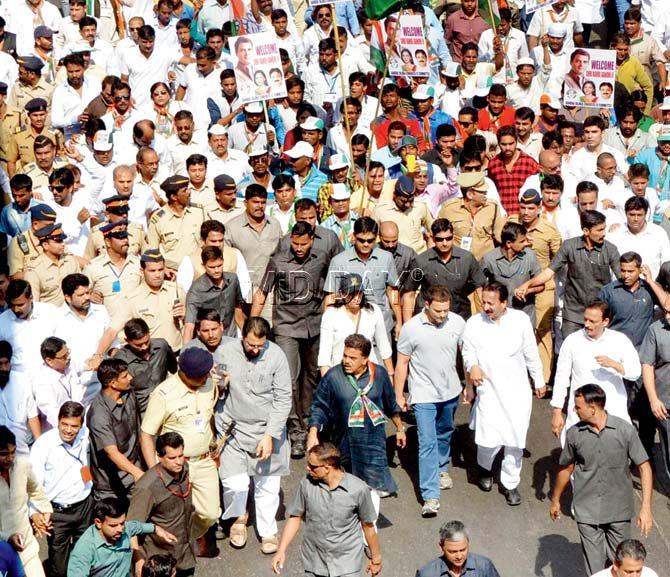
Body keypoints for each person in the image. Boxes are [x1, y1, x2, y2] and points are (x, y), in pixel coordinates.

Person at [549, 384, 653, 575]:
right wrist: (555, 499)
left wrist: (646, 508)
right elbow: (566, 468)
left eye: (578, 406)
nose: (574, 410)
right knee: (596, 570)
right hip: (588, 512)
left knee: (622, 567)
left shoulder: (624, 431)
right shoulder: (574, 434)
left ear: (593, 408)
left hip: (619, 512)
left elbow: (644, 468)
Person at [462, 282, 545, 506]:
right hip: (488, 391)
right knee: (488, 440)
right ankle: (485, 469)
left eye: (491, 303)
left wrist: (539, 380)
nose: (486, 307)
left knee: (515, 440)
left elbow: (530, 352)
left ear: (504, 303)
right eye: (484, 302)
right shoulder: (474, 323)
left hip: (517, 391)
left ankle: (510, 483)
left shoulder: (520, 320)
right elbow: (467, 351)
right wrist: (473, 367)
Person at [252, 222, 329, 459]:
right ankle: (295, 431)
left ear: (312, 240)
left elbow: (330, 290)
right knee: (290, 379)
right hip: (286, 326)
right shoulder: (278, 261)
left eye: (303, 244)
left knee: (312, 376)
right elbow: (263, 292)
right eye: (295, 243)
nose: (298, 248)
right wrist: (252, 325)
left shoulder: (322, 258)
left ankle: (309, 423)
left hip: (315, 325)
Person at [214, 317, 291, 554]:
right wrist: (220, 383)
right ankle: (239, 520)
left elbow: (283, 398)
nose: (255, 350)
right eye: (250, 345)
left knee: (267, 484)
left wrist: (270, 435)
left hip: (265, 430)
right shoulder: (224, 352)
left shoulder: (277, 356)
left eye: (260, 345)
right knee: (234, 483)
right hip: (233, 430)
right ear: (242, 337)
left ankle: (268, 530)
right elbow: (215, 385)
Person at [308, 334, 405, 517]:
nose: (346, 361)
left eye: (352, 358)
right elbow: (319, 407)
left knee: (371, 490)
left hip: (372, 443)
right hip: (343, 443)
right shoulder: (333, 377)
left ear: (365, 359)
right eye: (345, 355)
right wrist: (313, 433)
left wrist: (400, 429)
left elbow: (391, 404)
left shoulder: (380, 375)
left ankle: (369, 532)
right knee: (344, 489)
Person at [140, 347, 220, 557]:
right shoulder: (164, 394)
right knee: (174, 513)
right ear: (185, 374)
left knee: (210, 512)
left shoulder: (208, 383)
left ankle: (188, 537)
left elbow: (209, 415)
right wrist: (155, 472)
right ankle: (171, 552)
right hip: (176, 465)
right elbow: (147, 434)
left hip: (204, 461)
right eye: (201, 376)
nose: (206, 379)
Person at [395, 286, 466, 517]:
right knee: (427, 443)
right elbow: (402, 363)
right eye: (438, 311)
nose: (443, 315)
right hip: (423, 394)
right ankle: (430, 496)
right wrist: (399, 395)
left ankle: (442, 467)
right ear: (426, 304)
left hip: (450, 391)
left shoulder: (457, 322)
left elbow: (467, 355)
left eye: (446, 310)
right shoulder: (411, 328)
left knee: (445, 431)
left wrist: (470, 387)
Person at [271, 443, 382, 577]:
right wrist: (281, 550)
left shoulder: (358, 489)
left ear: (327, 467)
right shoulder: (306, 484)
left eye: (312, 466)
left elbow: (367, 525)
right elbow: (295, 517)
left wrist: (376, 558)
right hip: (314, 561)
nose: (307, 468)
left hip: (346, 563)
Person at [515, 210, 621, 338]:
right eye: (599, 230)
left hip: (599, 312)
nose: (603, 233)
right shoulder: (569, 246)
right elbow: (549, 272)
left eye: (604, 229)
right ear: (586, 231)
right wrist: (528, 284)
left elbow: (622, 277)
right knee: (570, 349)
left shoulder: (610, 249)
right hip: (573, 312)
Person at [551, 300, 641, 442]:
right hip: (580, 415)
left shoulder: (620, 341)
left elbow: (635, 371)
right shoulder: (572, 341)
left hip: (613, 412)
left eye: (592, 321)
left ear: (605, 322)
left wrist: (615, 365)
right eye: (585, 319)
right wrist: (557, 411)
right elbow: (561, 378)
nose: (587, 324)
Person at [29, 401, 92, 577]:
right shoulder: (43, 445)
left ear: (81, 426)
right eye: (64, 424)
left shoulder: (86, 436)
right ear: (58, 422)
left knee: (84, 558)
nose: (68, 430)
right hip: (57, 513)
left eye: (74, 426)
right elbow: (33, 484)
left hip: (84, 507)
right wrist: (35, 512)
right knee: (60, 566)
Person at [127, 432, 196, 577]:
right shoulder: (147, 487)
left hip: (185, 554)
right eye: (172, 458)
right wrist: (138, 560)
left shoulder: (185, 469)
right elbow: (131, 526)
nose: (179, 462)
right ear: (159, 456)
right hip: (160, 564)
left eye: (181, 456)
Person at [67, 498, 177, 577]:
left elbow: (138, 527)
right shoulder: (84, 550)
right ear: (98, 523)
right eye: (113, 525)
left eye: (122, 523)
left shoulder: (125, 528)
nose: (120, 529)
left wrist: (157, 529)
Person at [87, 358, 143, 501]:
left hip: (135, 475)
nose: (130, 377)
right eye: (125, 376)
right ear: (113, 383)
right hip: (111, 486)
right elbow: (111, 451)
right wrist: (137, 473)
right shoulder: (98, 414)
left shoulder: (128, 393)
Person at [0, 425, 52, 577]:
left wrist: (44, 510)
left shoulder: (22, 465)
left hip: (26, 546)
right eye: (3, 454)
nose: (10, 458)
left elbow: (35, 489)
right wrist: (6, 538)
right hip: (2, 554)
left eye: (13, 452)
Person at [318, 273, 393, 376]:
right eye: (351, 294)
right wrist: (327, 384)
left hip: (369, 373)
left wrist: (390, 375)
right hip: (341, 374)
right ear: (342, 294)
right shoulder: (331, 315)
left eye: (359, 293)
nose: (356, 298)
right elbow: (324, 355)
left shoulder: (373, 311)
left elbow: (384, 346)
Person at [112, 318, 177, 416]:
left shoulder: (161, 346)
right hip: (141, 414)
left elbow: (174, 368)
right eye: (138, 345)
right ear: (127, 341)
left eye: (147, 342)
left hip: (166, 407)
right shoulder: (120, 361)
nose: (144, 347)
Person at [480, 221, 542, 323]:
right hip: (499, 317)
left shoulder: (529, 256)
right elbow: (479, 286)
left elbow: (541, 285)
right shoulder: (489, 259)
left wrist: (527, 291)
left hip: (525, 315)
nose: (526, 244)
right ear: (509, 243)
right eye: (522, 241)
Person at [415, 520, 501, 577]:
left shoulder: (484, 566)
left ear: (468, 543)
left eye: (463, 550)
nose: (459, 556)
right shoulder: (426, 574)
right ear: (441, 547)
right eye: (453, 552)